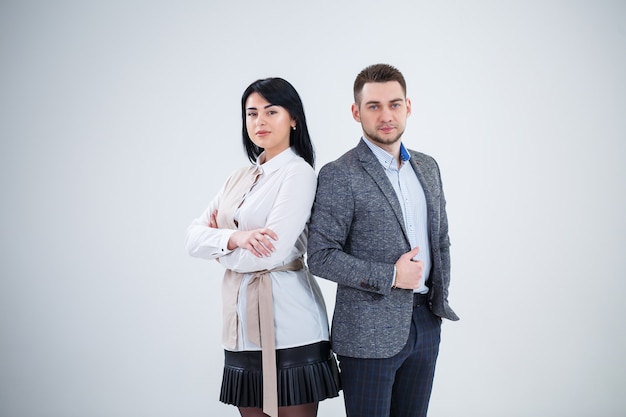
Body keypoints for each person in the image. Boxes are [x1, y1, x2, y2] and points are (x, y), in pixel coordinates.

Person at [307, 64, 459, 417]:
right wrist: (390, 276)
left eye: (394, 104)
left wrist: (438, 302)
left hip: (426, 322)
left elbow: (442, 240)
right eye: (374, 106)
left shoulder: (428, 167)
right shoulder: (339, 174)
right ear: (356, 112)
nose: (386, 115)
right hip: (367, 335)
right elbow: (321, 256)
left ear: (408, 106)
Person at [186, 77, 340, 417]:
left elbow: (268, 253)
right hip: (240, 328)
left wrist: (220, 252)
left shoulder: (298, 175)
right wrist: (235, 239)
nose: (260, 121)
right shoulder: (238, 177)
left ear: (293, 118)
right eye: (251, 113)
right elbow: (192, 238)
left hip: (289, 325)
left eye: (271, 111)